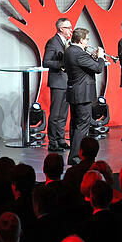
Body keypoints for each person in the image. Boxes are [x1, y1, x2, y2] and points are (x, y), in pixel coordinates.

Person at [63, 28, 105, 166]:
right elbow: (98, 69)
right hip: (82, 95)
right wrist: (100, 57)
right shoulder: (79, 53)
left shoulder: (69, 50)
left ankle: (74, 156)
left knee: (75, 125)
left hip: (75, 93)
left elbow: (84, 67)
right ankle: (75, 157)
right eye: (87, 39)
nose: (88, 42)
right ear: (81, 40)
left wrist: (92, 58)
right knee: (82, 126)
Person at [43, 17, 73, 152]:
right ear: (61, 28)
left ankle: (61, 139)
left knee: (63, 114)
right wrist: (61, 64)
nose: (71, 30)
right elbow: (46, 62)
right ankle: (52, 141)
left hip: (67, 81)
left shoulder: (68, 42)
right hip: (58, 81)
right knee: (55, 113)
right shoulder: (53, 42)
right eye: (68, 27)